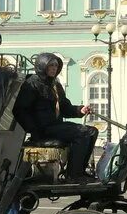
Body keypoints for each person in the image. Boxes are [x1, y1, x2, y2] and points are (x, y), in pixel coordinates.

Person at [13, 53, 98, 183]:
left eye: (56, 66)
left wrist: (79, 110)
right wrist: (34, 131)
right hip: (43, 129)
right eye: (51, 65)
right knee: (83, 133)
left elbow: (64, 107)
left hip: (55, 126)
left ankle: (80, 171)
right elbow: (20, 110)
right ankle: (73, 175)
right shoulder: (32, 84)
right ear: (42, 66)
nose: (54, 68)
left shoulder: (55, 85)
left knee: (92, 131)